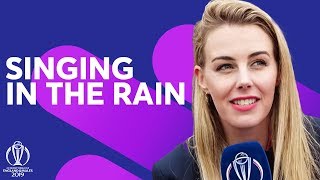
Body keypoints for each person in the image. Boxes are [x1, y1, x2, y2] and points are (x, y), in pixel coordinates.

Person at [152, 0, 320, 180]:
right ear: (202, 79)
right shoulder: (173, 172)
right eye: (225, 66)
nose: (244, 81)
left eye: (258, 63)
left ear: (279, 72)